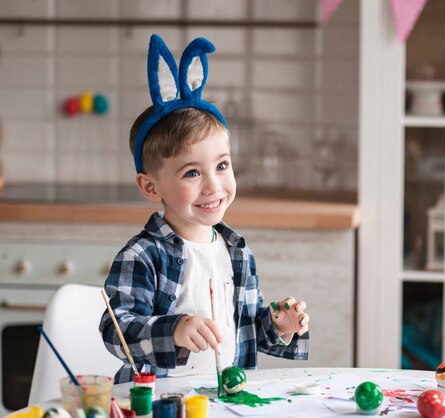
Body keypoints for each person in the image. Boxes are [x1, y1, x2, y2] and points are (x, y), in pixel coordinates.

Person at [99, 34, 309, 383]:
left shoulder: (237, 251)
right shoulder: (142, 255)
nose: (213, 185)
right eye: (192, 172)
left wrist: (279, 326)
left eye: (222, 166)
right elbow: (116, 329)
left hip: (225, 400)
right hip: (160, 401)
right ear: (151, 187)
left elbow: (244, 331)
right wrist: (176, 330)